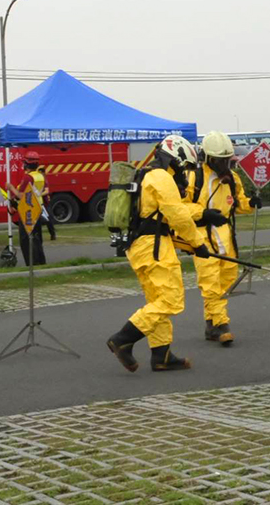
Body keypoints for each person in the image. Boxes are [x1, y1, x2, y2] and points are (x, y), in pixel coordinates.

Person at [106, 134, 210, 373]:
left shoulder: (145, 175)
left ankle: (161, 355)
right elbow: (178, 215)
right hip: (154, 249)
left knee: (157, 300)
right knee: (170, 300)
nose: (183, 172)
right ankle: (122, 339)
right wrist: (199, 243)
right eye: (182, 166)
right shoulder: (161, 177)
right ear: (174, 159)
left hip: (140, 247)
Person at [185, 130, 261, 347]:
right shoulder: (195, 177)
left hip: (227, 238)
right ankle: (221, 325)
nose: (224, 164)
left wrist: (251, 204)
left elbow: (238, 204)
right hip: (201, 238)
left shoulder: (232, 179)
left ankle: (210, 323)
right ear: (208, 157)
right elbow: (180, 207)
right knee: (210, 283)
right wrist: (203, 214)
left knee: (226, 282)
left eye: (227, 160)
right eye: (220, 160)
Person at [7, 150, 48, 266]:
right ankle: (41, 262)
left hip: (27, 212)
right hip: (37, 210)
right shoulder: (40, 176)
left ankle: (31, 263)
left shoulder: (28, 178)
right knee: (37, 239)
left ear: (26, 164)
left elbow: (21, 195)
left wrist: (10, 188)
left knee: (26, 240)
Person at [37, 163, 57, 241]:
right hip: (39, 202)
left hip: (45, 202)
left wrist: (38, 194)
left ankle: (53, 234)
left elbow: (47, 191)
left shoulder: (44, 181)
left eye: (42, 172)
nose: (41, 173)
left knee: (48, 219)